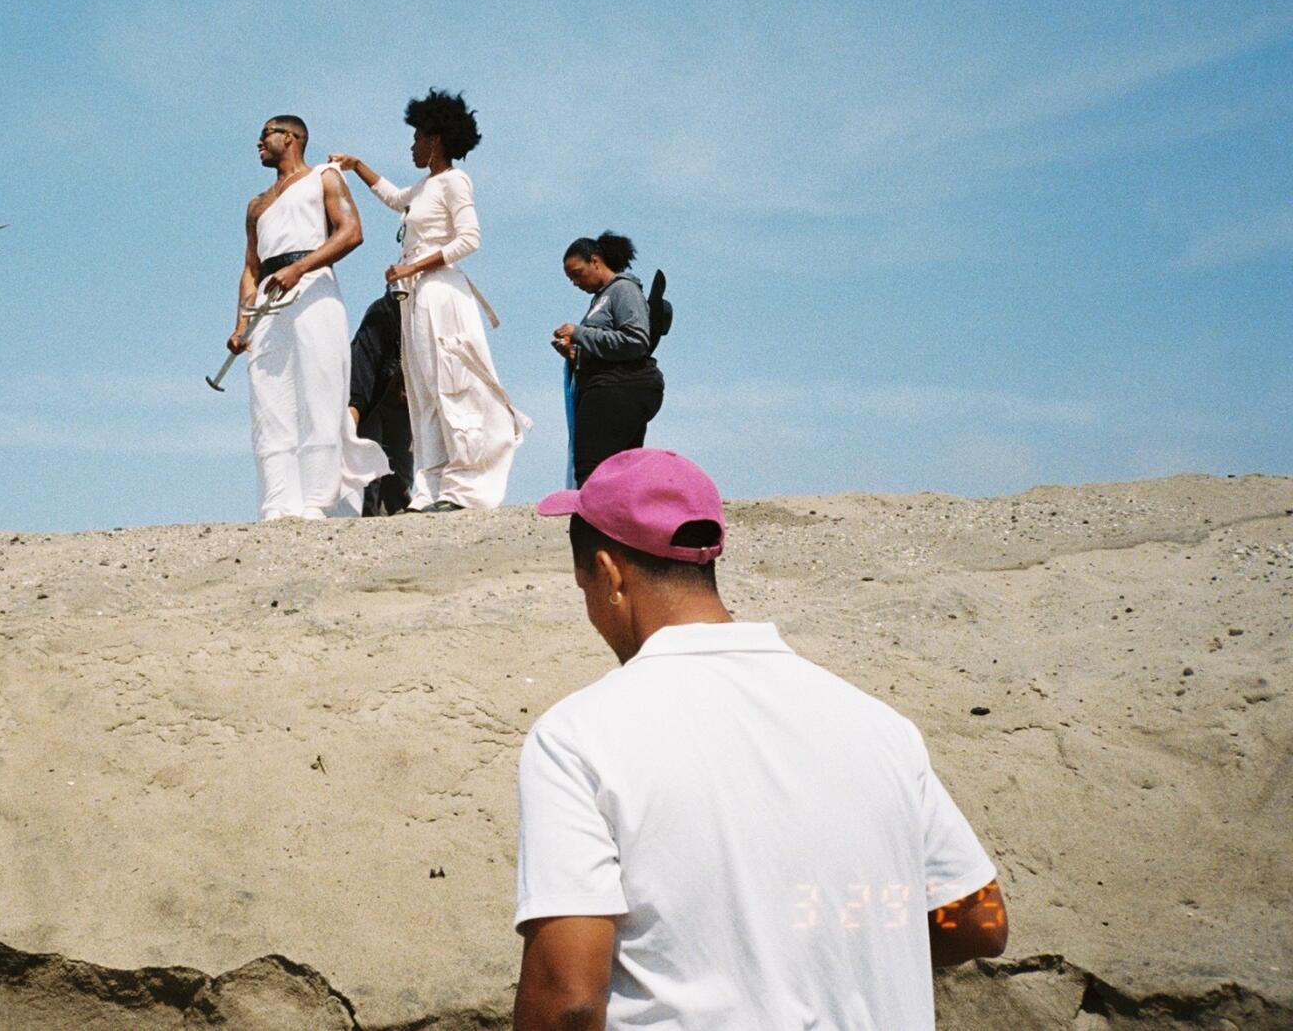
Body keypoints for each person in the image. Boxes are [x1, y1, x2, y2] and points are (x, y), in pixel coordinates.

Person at [514, 449, 1007, 1030]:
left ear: (610, 573)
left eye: (585, 589)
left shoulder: (579, 738)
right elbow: (978, 920)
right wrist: (844, 941)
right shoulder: (878, 726)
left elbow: (568, 1001)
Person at [330, 89, 529, 512]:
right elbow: (393, 198)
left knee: (452, 383)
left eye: (418, 136)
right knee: (423, 390)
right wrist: (356, 165)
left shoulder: (455, 181)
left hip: (441, 293)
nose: (413, 145)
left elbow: (470, 238)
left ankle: (465, 488)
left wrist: (413, 267)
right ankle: (430, 489)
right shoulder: (423, 187)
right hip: (415, 298)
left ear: (435, 139)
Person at [229, 115, 388, 521]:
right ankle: (277, 502)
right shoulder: (257, 204)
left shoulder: (325, 177)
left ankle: (319, 500)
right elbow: (250, 266)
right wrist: (241, 322)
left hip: (312, 285)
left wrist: (301, 268)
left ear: (290, 137)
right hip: (269, 296)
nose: (258, 142)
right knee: (270, 397)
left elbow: (351, 232)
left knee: (319, 388)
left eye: (265, 134)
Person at [554, 233, 664, 486]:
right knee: (617, 470)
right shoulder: (601, 298)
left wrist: (579, 332)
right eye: (570, 278)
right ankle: (618, 522)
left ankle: (592, 523)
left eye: (577, 273)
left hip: (619, 387)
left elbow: (636, 341)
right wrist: (575, 354)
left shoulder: (623, 289)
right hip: (611, 386)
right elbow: (609, 344)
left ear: (595, 261)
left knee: (591, 468)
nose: (574, 282)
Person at [348, 289, 412, 515]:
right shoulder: (382, 313)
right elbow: (362, 368)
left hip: (405, 405)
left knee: (401, 477)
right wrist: (350, 421)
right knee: (370, 472)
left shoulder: (433, 315)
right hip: (370, 400)